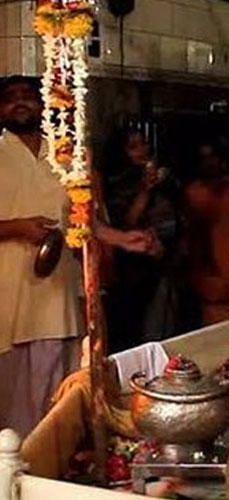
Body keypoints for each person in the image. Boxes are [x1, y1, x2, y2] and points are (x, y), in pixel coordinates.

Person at [0, 75, 83, 437]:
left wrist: (126, 240)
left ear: (42, 104)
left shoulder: (64, 154)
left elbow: (83, 219)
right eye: (10, 98)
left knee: (59, 400)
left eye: (28, 97)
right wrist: (17, 228)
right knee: (15, 414)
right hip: (10, 301)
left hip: (60, 296)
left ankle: (54, 478)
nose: (20, 103)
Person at [101, 126, 178, 351]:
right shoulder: (116, 182)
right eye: (133, 147)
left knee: (164, 329)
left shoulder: (161, 179)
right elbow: (123, 225)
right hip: (133, 269)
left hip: (163, 261)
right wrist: (144, 190)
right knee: (136, 332)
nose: (142, 150)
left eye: (144, 144)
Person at [179, 136, 229, 326]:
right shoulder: (193, 192)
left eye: (213, 156)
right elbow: (189, 234)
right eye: (203, 158)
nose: (209, 162)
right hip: (210, 277)